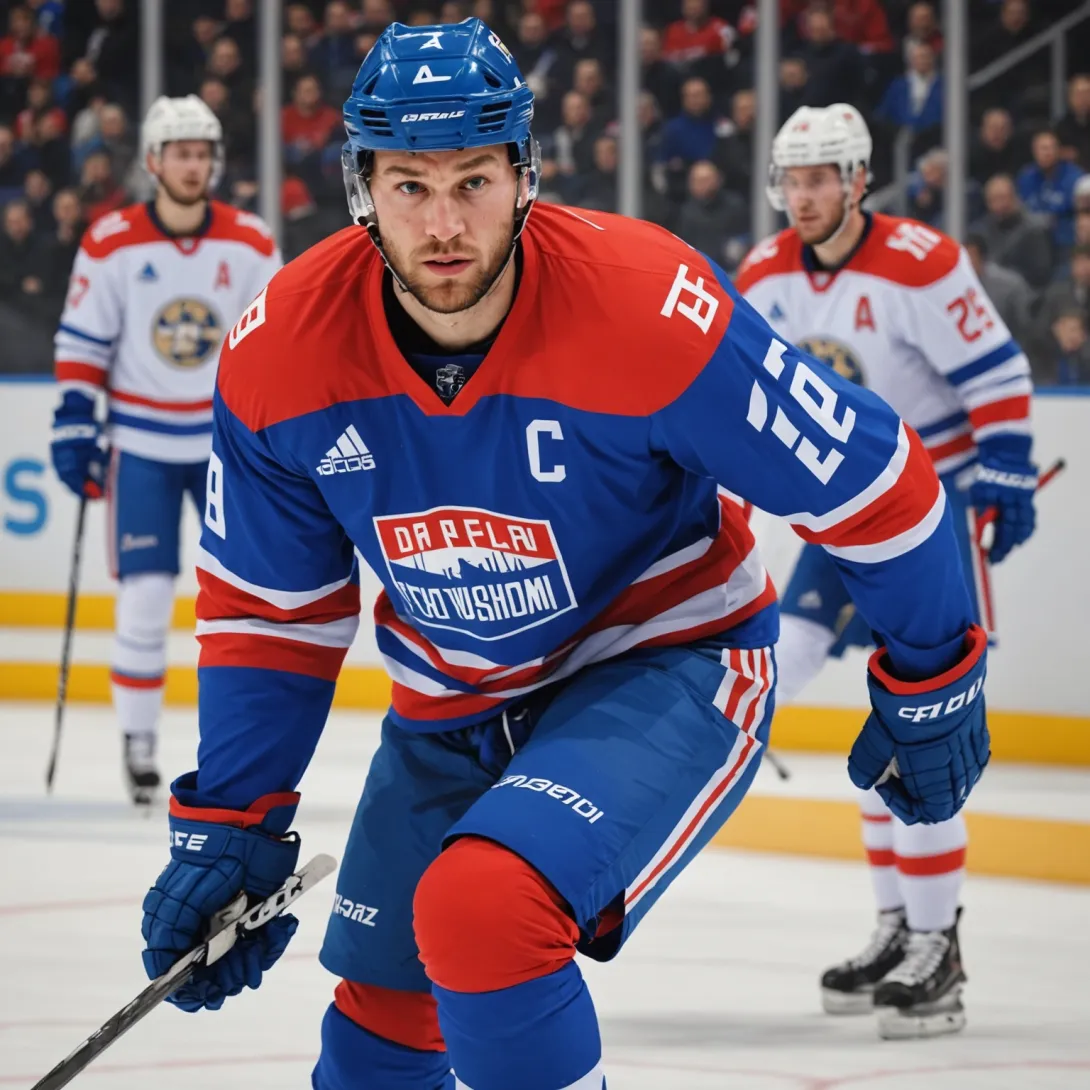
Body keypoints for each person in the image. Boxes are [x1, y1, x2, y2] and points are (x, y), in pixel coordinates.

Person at [137, 23, 990, 1090]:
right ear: (362, 188)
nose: (444, 224)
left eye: (473, 181)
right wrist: (230, 821)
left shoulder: (647, 306)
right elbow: (272, 616)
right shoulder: (280, 354)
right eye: (409, 186)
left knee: (483, 911)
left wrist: (934, 670)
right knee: (374, 1041)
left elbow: (872, 478)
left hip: (665, 659)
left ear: (524, 174)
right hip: (449, 703)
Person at [736, 104, 1036, 1040]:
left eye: (820, 178)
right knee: (779, 667)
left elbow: (996, 371)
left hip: (933, 510)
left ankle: (937, 943)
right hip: (843, 516)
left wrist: (1007, 468)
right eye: (792, 180)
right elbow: (737, 394)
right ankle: (898, 927)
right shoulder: (764, 273)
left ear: (859, 179)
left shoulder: (921, 262)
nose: (802, 196)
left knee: (923, 736)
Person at [47, 95, 280, 803]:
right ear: (153, 161)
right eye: (180, 152)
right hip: (141, 445)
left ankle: (246, 744)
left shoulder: (249, 242)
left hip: (225, 448)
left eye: (202, 152)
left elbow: (278, 343)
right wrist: (74, 419)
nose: (192, 164)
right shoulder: (111, 242)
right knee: (146, 596)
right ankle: (139, 741)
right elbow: (84, 340)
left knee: (244, 601)